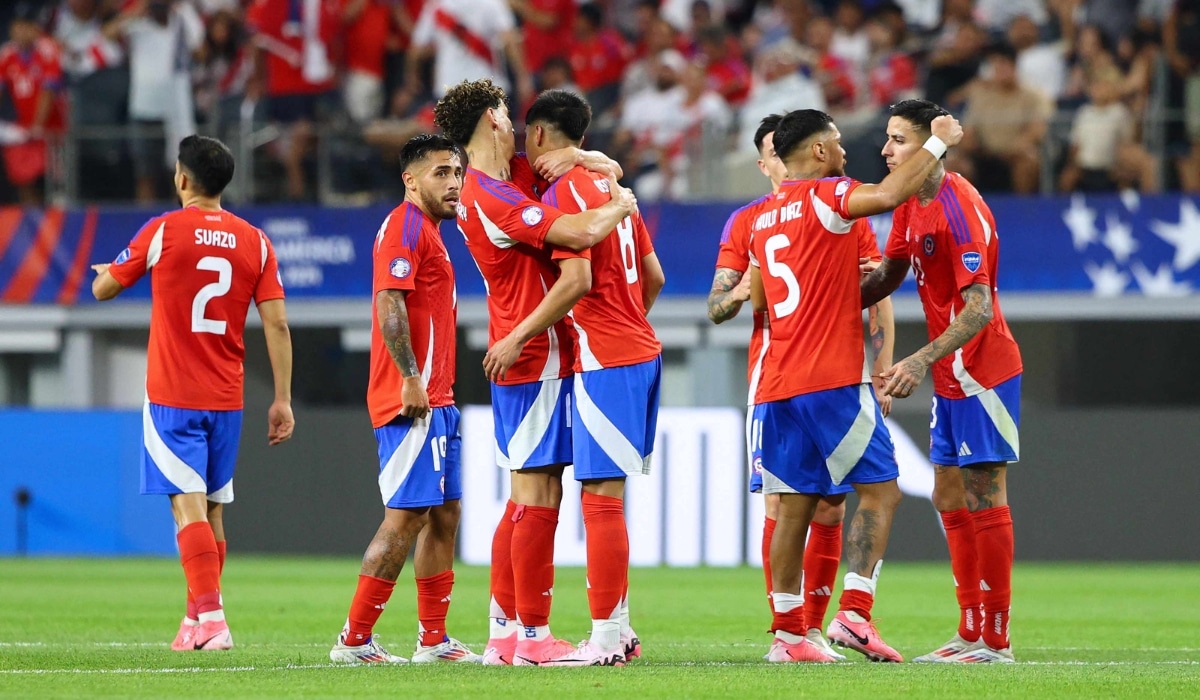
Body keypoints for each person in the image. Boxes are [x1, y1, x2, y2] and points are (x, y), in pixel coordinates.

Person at [746, 107, 963, 664]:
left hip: (777, 381)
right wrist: (936, 146)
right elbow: (889, 195)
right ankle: (854, 613)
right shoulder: (829, 195)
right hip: (830, 378)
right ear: (817, 151)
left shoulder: (763, 216)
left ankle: (789, 635)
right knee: (882, 490)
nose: (846, 153)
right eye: (837, 143)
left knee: (792, 506)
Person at [432, 78, 635, 666]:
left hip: (539, 354)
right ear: (495, 119)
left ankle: (504, 633)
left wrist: (584, 157)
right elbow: (577, 230)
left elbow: (602, 165)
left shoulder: (516, 173)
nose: (515, 121)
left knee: (527, 497)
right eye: (504, 110)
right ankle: (530, 636)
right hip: (531, 356)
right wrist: (621, 202)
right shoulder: (490, 195)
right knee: (534, 496)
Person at [90, 135, 294, 651]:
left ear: (182, 178)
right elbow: (277, 325)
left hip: (173, 394)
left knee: (187, 508)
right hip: (227, 398)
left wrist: (106, 273)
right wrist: (282, 398)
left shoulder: (162, 229)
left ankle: (214, 618)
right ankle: (194, 621)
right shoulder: (256, 241)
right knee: (212, 509)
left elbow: (104, 289)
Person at [706, 112, 895, 661]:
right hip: (778, 371)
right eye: (765, 149)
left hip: (813, 371)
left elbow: (872, 287)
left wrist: (880, 362)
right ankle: (798, 628)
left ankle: (806, 630)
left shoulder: (835, 209)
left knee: (829, 507)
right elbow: (716, 307)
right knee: (784, 505)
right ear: (766, 162)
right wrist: (741, 292)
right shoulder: (747, 222)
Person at [861, 99, 1022, 664]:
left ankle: (995, 640)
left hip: (983, 372)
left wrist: (916, 361)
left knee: (983, 494)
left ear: (931, 146)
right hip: (950, 376)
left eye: (899, 139)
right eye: (888, 138)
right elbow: (887, 276)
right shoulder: (910, 204)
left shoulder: (959, 206)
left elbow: (978, 309)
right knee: (947, 493)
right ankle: (969, 630)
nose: (886, 150)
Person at [519, 89, 665, 666]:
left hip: (606, 355)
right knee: (608, 497)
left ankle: (605, 635)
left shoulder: (562, 194)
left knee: (600, 500)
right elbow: (652, 276)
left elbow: (575, 278)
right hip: (638, 350)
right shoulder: (613, 190)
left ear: (537, 136)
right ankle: (620, 629)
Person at [328, 134, 480, 665]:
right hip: (412, 399)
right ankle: (353, 641)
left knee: (445, 514)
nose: (454, 182)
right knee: (406, 516)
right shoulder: (405, 226)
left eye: (457, 172)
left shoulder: (432, 232)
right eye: (441, 173)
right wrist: (410, 377)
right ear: (410, 180)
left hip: (440, 399)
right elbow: (388, 301)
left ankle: (434, 640)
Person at [0, 2, 65, 206]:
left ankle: (57, 229)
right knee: (24, 182)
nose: (20, 31)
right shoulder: (7, 54)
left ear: (34, 28)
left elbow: (49, 92)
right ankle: (31, 231)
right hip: (25, 129)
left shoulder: (47, 49)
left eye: (25, 26)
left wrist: (38, 126)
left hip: (53, 131)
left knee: (55, 188)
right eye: (17, 26)